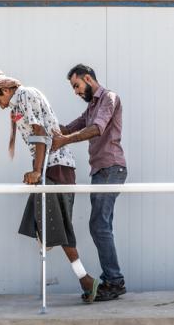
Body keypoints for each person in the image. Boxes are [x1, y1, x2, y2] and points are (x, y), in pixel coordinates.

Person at [0, 70, 100, 303]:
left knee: (58, 224)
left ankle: (86, 279)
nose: (1, 106)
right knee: (51, 223)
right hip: (49, 165)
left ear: (5, 90)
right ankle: (84, 278)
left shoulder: (24, 94)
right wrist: (37, 167)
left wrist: (36, 170)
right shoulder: (16, 105)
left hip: (56, 165)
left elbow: (39, 132)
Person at [52, 64, 127, 302]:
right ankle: (113, 280)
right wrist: (46, 126)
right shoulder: (92, 107)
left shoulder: (108, 98)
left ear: (87, 78)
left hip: (111, 168)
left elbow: (96, 129)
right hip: (101, 170)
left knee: (99, 226)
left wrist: (64, 141)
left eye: (76, 85)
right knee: (100, 226)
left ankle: (114, 282)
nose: (75, 91)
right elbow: (70, 127)